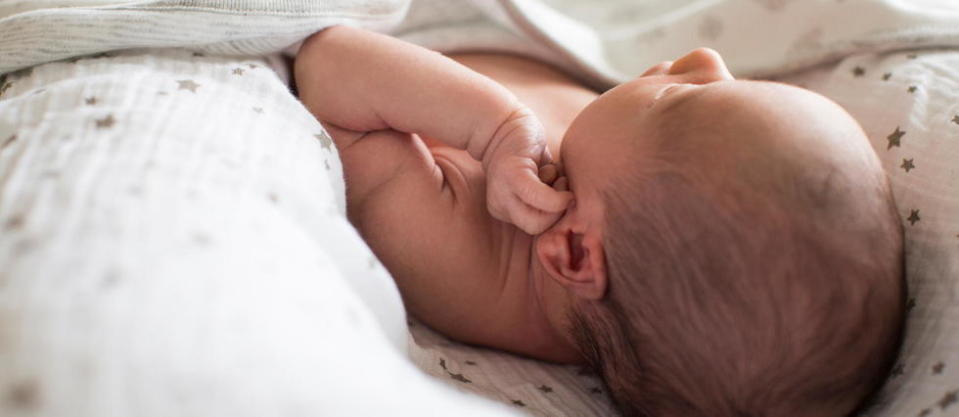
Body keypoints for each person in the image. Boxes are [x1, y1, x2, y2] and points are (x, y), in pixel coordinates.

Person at [295, 25, 905, 417]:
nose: (707, 56)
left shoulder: (465, 257)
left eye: (684, 99)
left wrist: (494, 125)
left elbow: (329, 64)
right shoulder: (623, 183)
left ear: (577, 255)